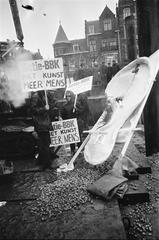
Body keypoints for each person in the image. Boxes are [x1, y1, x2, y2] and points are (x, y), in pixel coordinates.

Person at [30, 90, 58, 170]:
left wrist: (51, 103)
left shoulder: (44, 94)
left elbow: (50, 107)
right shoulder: (36, 96)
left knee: (45, 143)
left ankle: (43, 161)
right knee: (44, 145)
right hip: (41, 124)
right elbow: (33, 110)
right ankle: (46, 164)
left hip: (45, 124)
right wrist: (44, 108)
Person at [61, 91, 86, 155]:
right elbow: (62, 115)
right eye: (67, 96)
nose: (68, 97)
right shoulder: (64, 105)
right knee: (71, 138)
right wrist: (66, 120)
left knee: (78, 136)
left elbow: (82, 111)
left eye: (69, 96)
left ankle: (80, 149)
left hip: (77, 122)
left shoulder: (76, 103)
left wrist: (77, 110)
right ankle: (73, 150)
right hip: (70, 123)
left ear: (71, 96)